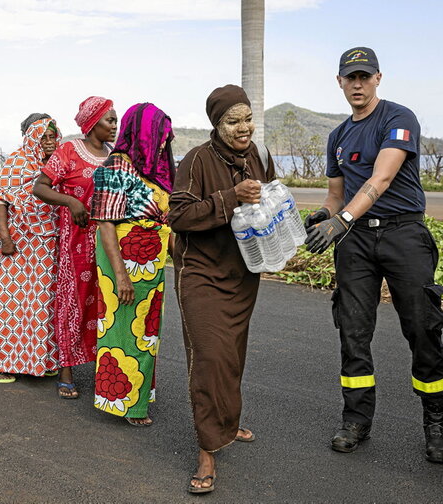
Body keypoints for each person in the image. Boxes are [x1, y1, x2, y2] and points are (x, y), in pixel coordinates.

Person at [304, 47, 443, 463]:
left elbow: (381, 177)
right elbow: (336, 195)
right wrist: (324, 216)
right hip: (357, 243)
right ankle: (356, 420)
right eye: (350, 77)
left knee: (423, 328)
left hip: (404, 235)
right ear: (339, 82)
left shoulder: (398, 118)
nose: (358, 84)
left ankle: (438, 423)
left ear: (378, 79)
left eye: (365, 77)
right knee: (352, 331)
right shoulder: (337, 136)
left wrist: (341, 218)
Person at [168, 85, 274, 493]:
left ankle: (227, 424)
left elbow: (271, 204)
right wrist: (230, 198)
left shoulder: (260, 157)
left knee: (231, 356)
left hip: (243, 274)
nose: (243, 128)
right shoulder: (196, 160)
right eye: (234, 121)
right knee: (210, 357)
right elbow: (178, 215)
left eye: (248, 119)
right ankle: (207, 451)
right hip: (201, 273)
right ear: (217, 124)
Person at [91, 103, 174, 426]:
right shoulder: (117, 167)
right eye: (160, 135)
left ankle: (138, 396)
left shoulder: (152, 168)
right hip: (123, 259)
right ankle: (124, 403)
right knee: (122, 330)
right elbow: (106, 223)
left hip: (151, 263)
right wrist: (121, 276)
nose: (165, 143)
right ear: (142, 134)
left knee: (146, 331)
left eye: (167, 137)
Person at [33, 96, 117, 399]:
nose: (115, 126)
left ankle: (103, 368)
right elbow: (39, 186)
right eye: (109, 120)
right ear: (92, 122)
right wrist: (70, 201)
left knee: (105, 304)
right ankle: (66, 369)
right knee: (74, 302)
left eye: (116, 120)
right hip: (76, 244)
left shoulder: (113, 156)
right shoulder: (68, 151)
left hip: (109, 243)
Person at [0, 114, 61, 384]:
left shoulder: (57, 162)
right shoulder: (18, 160)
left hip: (48, 243)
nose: (50, 142)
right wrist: (4, 238)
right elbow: (0, 199)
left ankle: (40, 360)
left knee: (42, 304)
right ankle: (5, 362)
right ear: (31, 137)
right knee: (12, 304)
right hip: (18, 243)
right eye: (44, 137)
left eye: (53, 136)